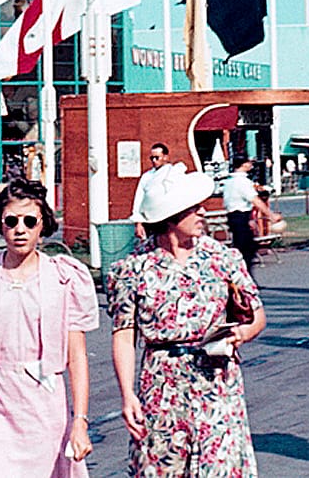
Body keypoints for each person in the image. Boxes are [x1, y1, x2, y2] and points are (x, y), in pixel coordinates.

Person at [108, 166, 266, 476]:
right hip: (161, 383)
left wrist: (241, 334)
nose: (202, 212)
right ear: (170, 217)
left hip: (217, 382)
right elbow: (124, 336)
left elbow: (257, 315)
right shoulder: (133, 270)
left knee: (218, 468)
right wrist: (127, 395)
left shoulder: (223, 258)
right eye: (193, 208)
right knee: (163, 466)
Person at [0, 180, 97, 476]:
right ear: (0, 224)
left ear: (43, 225)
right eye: (11, 221)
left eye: (29, 221)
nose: (20, 229)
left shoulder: (64, 278)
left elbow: (77, 357)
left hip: (44, 411)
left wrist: (80, 420)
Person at [222, 156, 281, 272]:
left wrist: (249, 220)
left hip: (235, 217)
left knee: (244, 248)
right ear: (243, 164)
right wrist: (271, 215)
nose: (251, 165)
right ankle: (243, 278)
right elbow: (255, 200)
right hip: (239, 217)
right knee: (246, 250)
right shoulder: (243, 182)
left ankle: (244, 276)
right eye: (249, 162)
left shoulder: (228, 181)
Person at [131, 143, 171, 239]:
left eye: (157, 157)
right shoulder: (147, 176)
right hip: (150, 220)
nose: (154, 161)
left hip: (169, 220)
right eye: (152, 158)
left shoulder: (173, 173)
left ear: (165, 157)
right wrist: (138, 222)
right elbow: (139, 199)